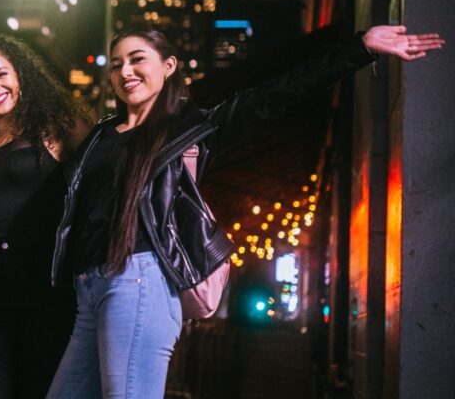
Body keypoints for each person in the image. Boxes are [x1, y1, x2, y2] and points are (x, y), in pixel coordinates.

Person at [46, 25, 444, 399]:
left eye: (137, 59)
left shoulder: (192, 130)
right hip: (88, 287)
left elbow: (276, 94)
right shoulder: (99, 134)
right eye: (116, 64)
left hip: (138, 281)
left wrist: (361, 48)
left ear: (168, 67)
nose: (125, 71)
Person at [0, 35, 90, 399]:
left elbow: (108, 176)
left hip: (46, 290)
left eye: (1, 73)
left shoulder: (57, 127)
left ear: (21, 75)